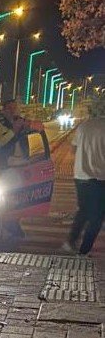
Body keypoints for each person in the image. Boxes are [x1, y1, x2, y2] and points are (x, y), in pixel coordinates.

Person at [61, 107, 105, 256]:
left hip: (80, 176)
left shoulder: (83, 126)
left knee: (83, 211)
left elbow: (73, 149)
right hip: (99, 178)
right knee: (97, 218)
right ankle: (84, 250)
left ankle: (70, 242)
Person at [0, 98, 44, 165]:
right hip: (6, 165)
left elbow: (38, 128)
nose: (12, 111)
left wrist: (33, 125)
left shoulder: (22, 122)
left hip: (24, 162)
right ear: (3, 111)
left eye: (14, 108)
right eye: (9, 108)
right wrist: (13, 130)